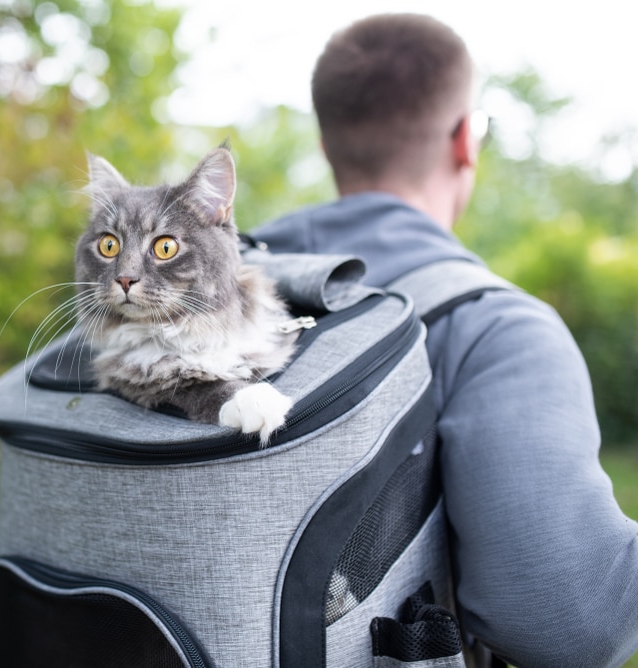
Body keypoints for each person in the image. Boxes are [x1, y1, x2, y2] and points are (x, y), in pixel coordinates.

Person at [252, 13, 638, 668]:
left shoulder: (192, 291)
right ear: (466, 140)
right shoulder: (496, 331)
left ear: (327, 144)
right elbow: (570, 620)